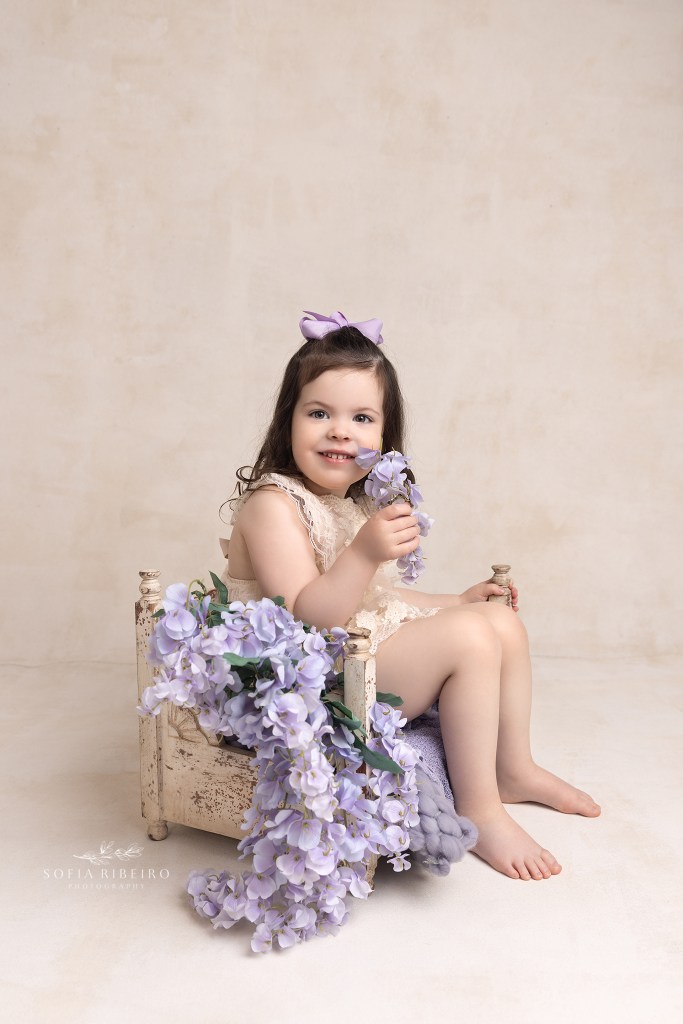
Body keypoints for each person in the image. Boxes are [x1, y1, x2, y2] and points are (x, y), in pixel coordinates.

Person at [220, 309, 601, 881]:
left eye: (361, 418)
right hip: (314, 681)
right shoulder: (272, 506)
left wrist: (458, 601)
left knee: (498, 623)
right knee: (471, 640)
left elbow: (381, 603)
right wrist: (362, 554)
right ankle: (481, 809)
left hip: (356, 651)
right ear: (287, 420)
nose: (340, 431)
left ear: (384, 437)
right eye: (319, 413)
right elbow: (309, 618)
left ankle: (514, 768)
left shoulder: (350, 503)